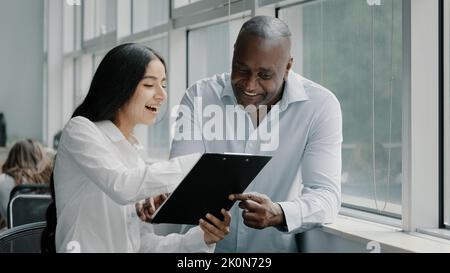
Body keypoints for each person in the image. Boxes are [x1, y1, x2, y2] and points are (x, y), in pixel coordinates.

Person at [169, 16, 342, 252]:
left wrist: (279, 213)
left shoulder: (320, 106)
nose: (250, 85)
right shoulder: (198, 97)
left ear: (288, 67)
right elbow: (178, 179)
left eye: (264, 75)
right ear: (233, 55)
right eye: (242, 70)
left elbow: (327, 197)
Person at [52, 43, 231, 253]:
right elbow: (122, 186)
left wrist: (203, 238)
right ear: (120, 86)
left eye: (163, 84)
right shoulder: (80, 130)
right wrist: (199, 165)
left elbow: (143, 245)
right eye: (149, 85)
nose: (162, 95)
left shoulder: (135, 159)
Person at [0, 139, 53, 225]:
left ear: (12, 158)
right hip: (46, 233)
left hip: (15, 234)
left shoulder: (3, 181)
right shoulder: (52, 181)